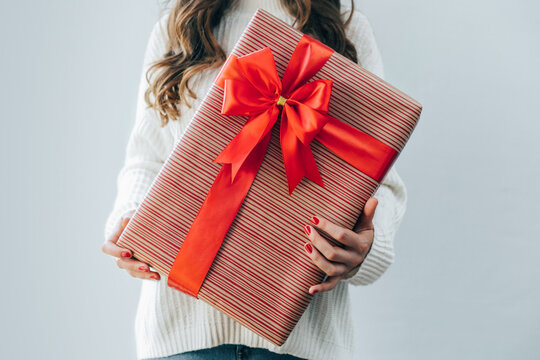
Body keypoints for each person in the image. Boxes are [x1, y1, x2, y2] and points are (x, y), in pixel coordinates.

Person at [101, 0, 407, 359]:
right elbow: (146, 159)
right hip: (182, 336)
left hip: (301, 344)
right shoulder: (178, 26)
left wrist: (364, 248)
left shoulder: (344, 28)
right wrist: (130, 222)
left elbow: (379, 180)